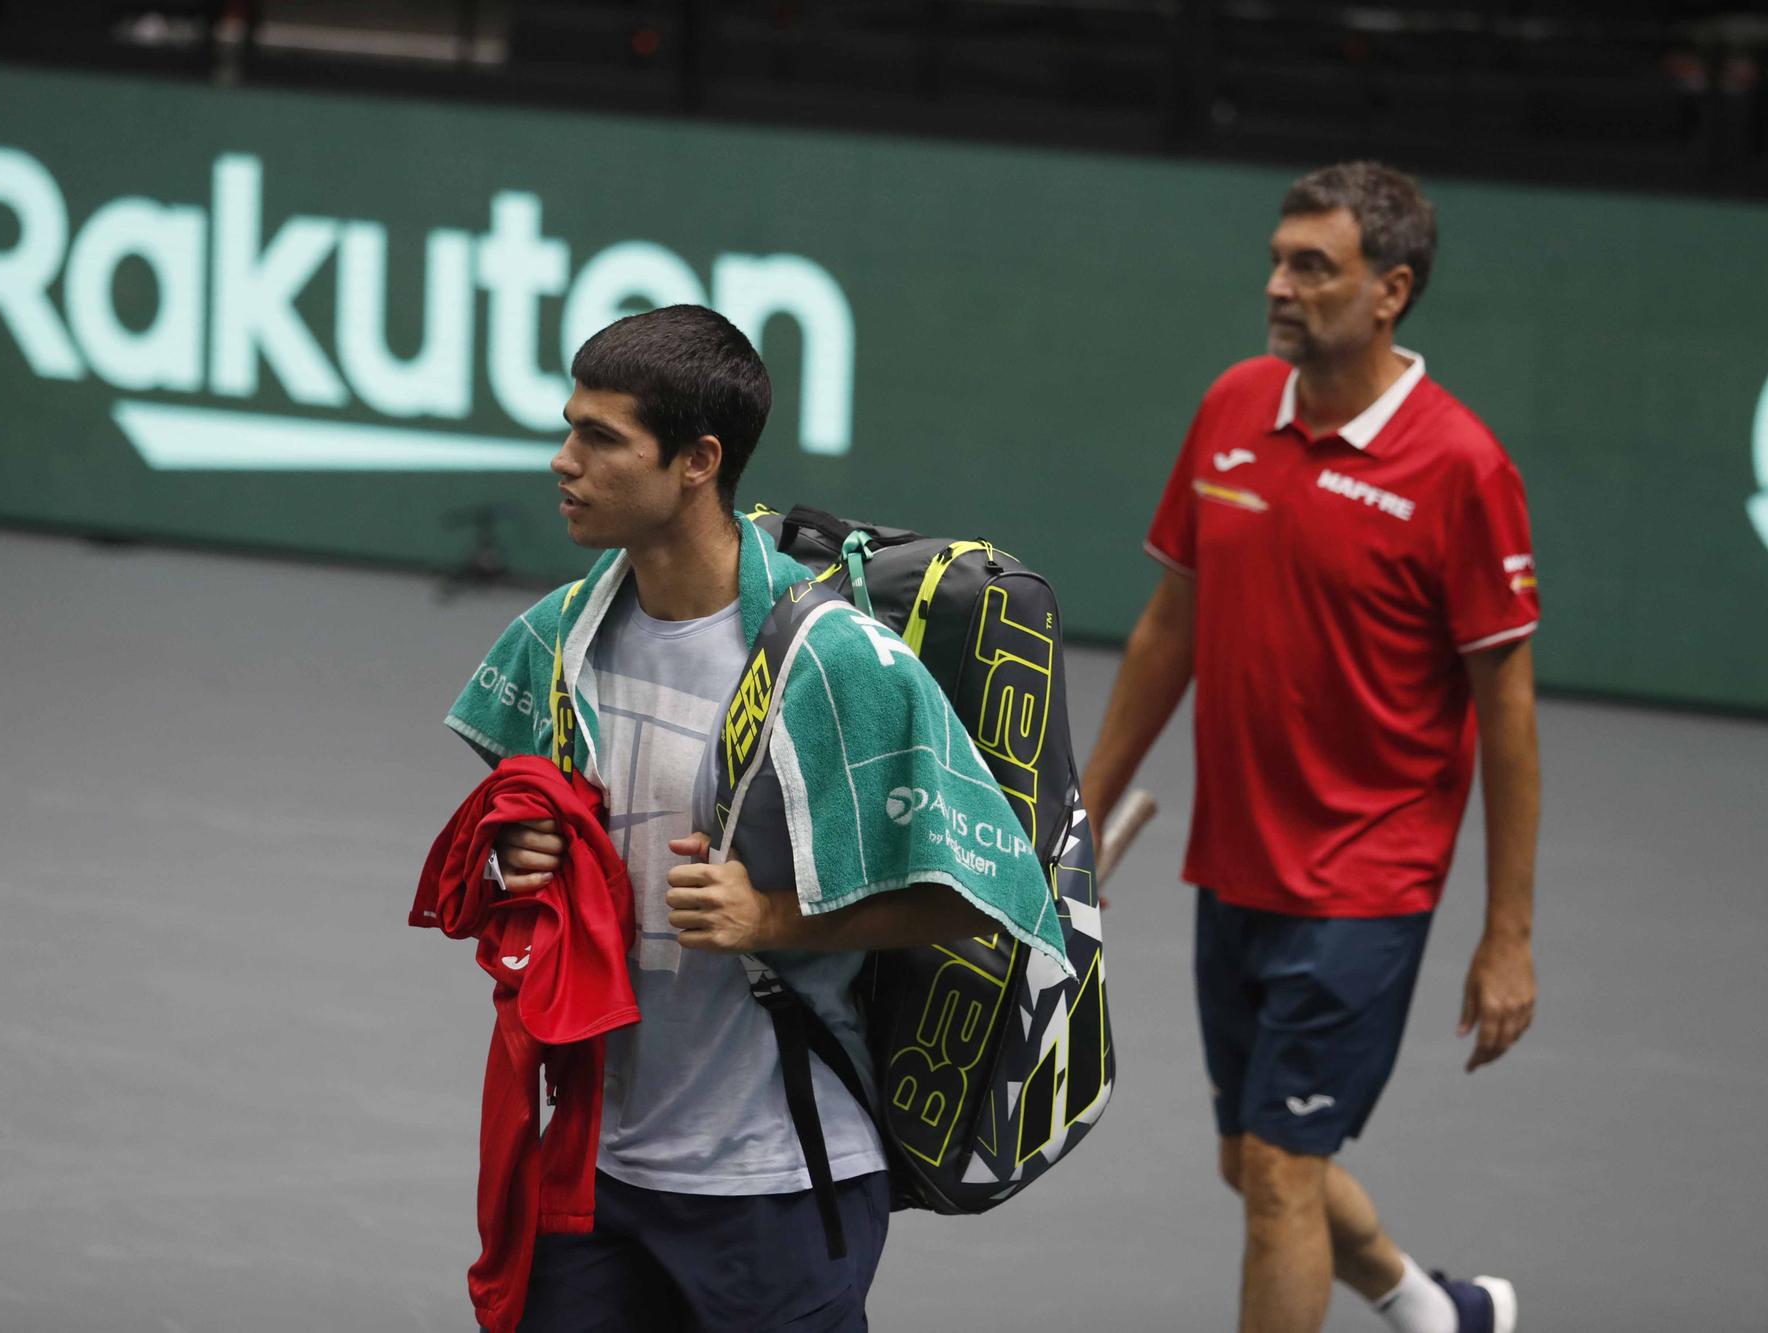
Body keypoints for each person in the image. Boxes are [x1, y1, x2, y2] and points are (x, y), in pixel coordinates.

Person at [443, 304, 1066, 1331]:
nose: (563, 461)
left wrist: (773, 919)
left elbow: (987, 900)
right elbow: (521, 822)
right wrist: (519, 849)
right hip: (590, 1166)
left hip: (777, 1181)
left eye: (599, 438)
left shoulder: (835, 663)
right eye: (567, 428)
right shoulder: (555, 638)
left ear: (696, 460)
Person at [1080, 162, 1539, 1333]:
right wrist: (1074, 810)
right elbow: (1167, 626)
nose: (1276, 285)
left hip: (1365, 879)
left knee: (1282, 1169)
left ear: (1387, 292)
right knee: (1252, 1152)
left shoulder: (1460, 466)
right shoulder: (1233, 404)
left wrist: (1504, 936)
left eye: (1310, 267)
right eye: (1277, 260)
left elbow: (1506, 710)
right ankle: (1432, 1308)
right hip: (1235, 860)